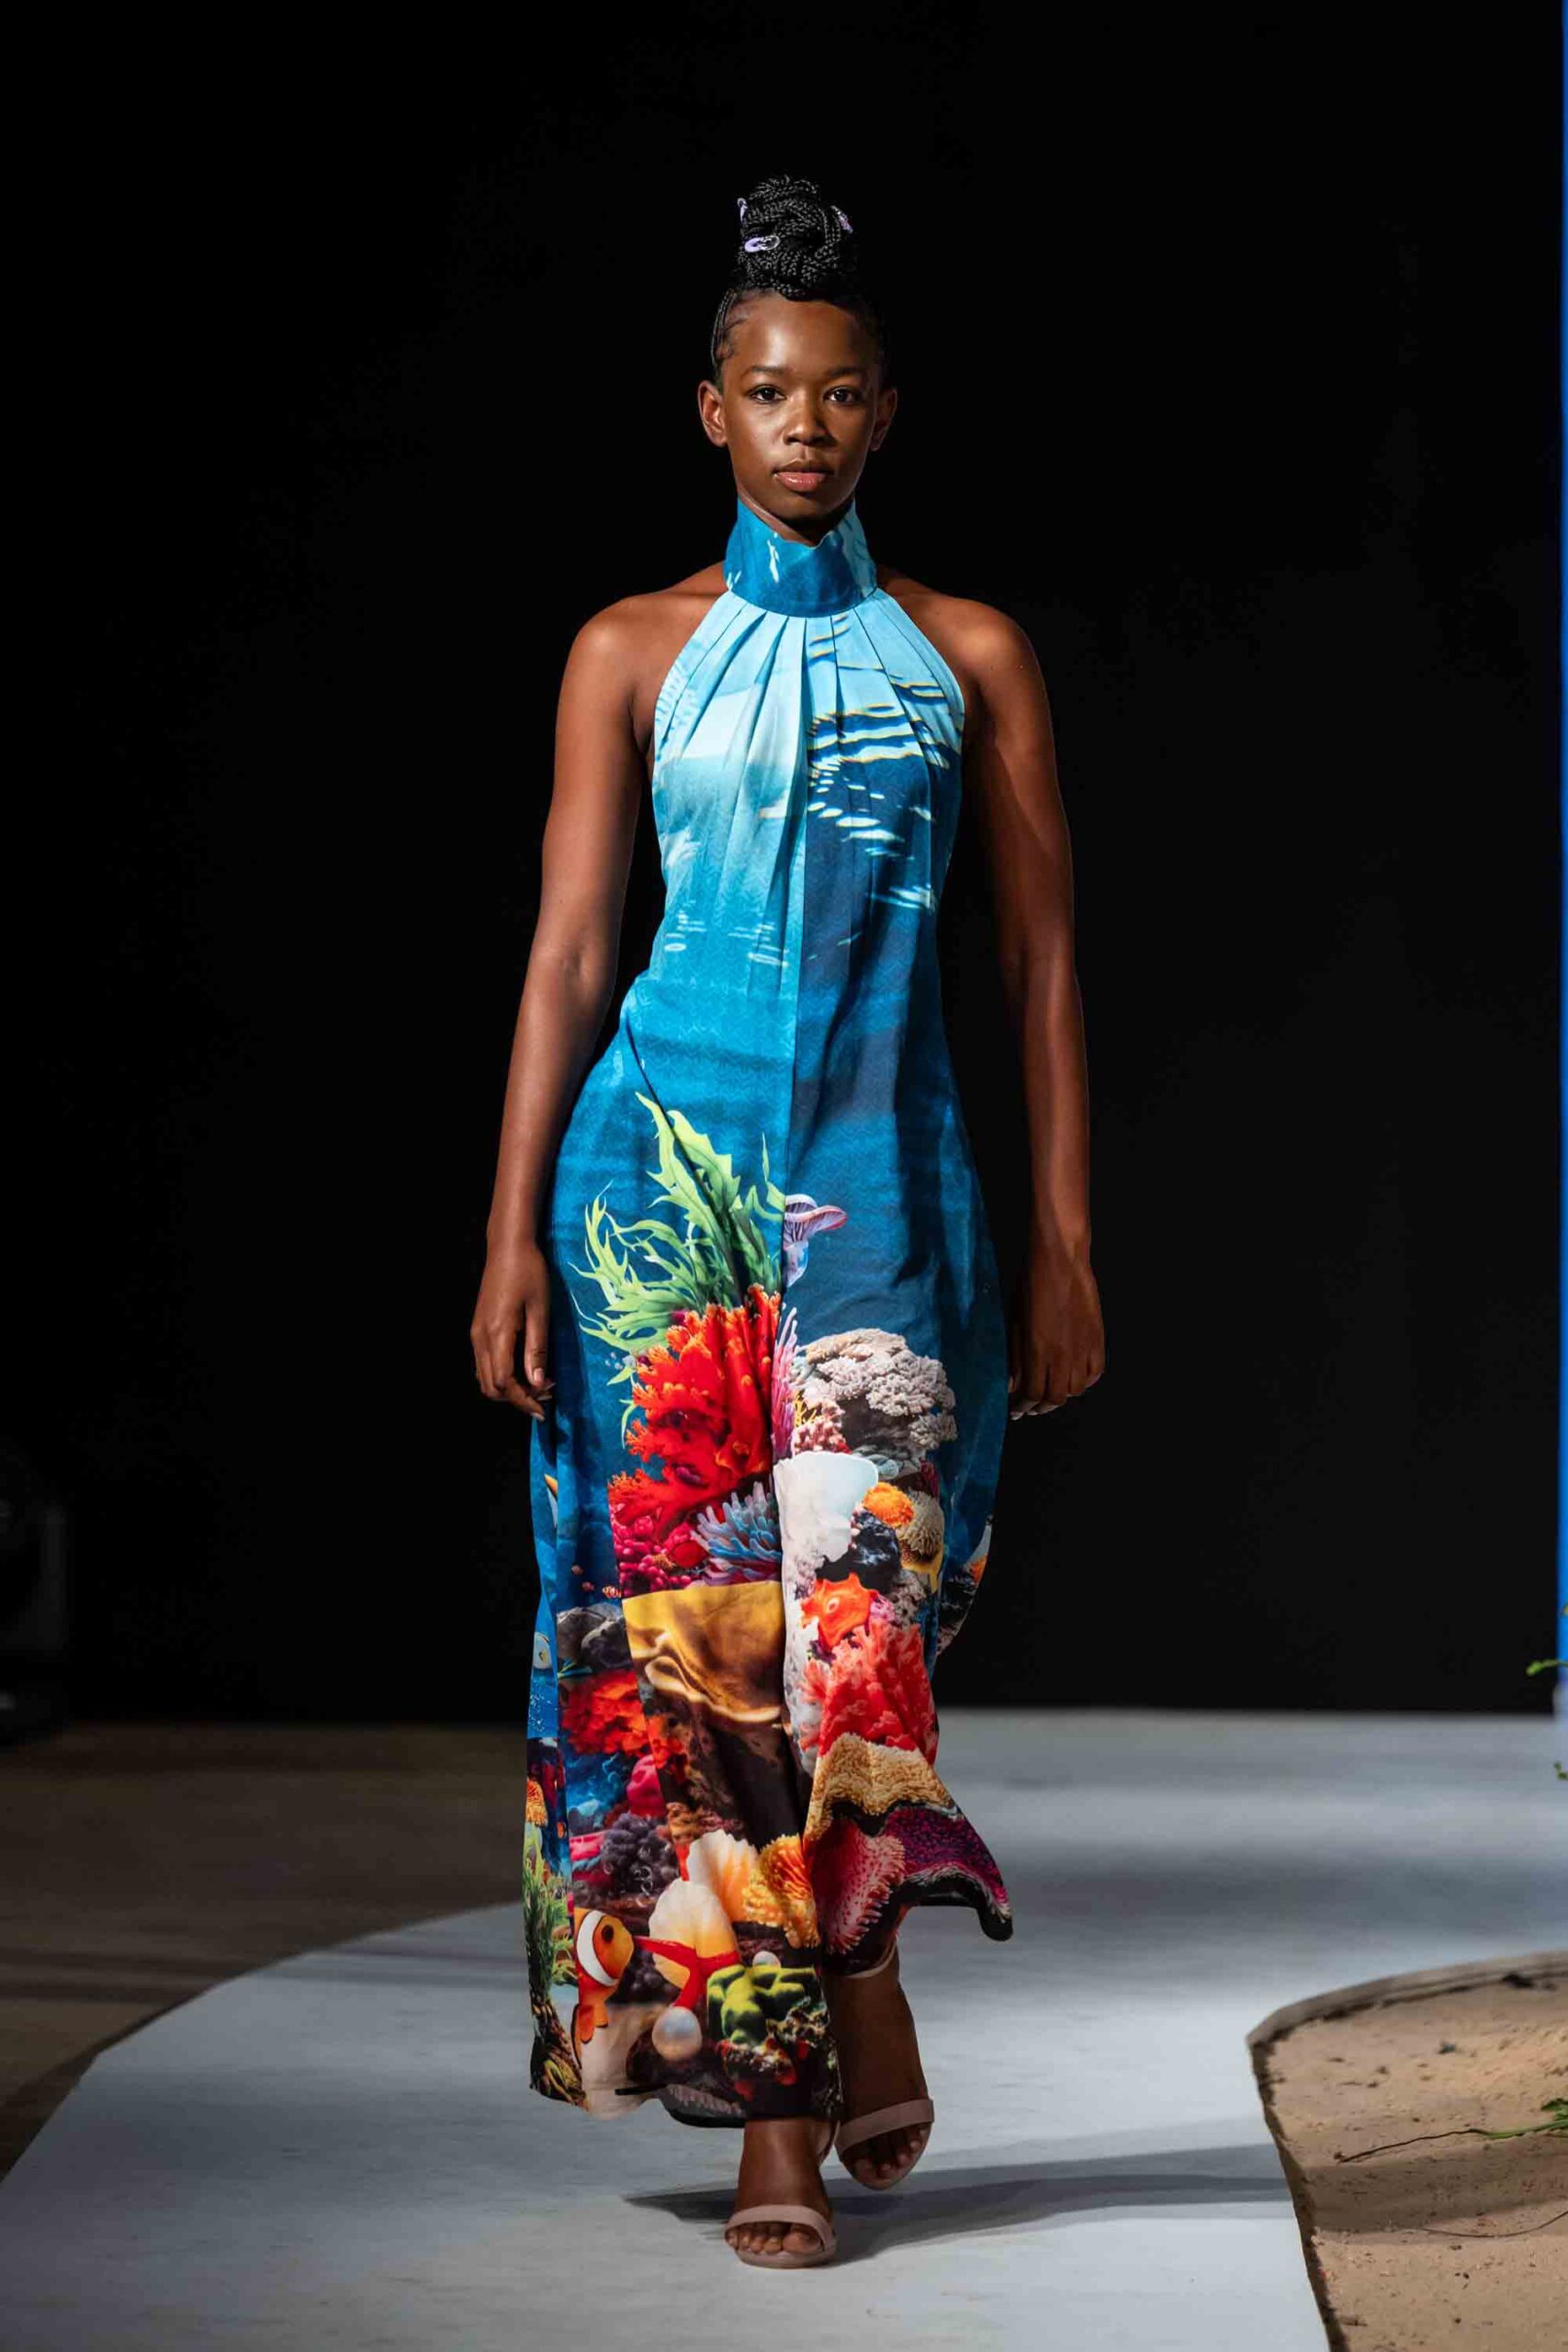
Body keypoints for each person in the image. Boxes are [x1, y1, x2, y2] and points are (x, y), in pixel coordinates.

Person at [471, 173, 1103, 2269]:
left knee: (859, 1638)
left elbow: (1035, 966)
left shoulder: (970, 656)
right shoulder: (627, 650)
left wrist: (1064, 1241)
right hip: (652, 1206)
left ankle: (865, 1971)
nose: (802, 425)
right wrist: (508, 1231)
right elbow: (571, 955)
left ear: (884, 413)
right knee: (703, 1658)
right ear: (710, 410)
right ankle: (777, 2108)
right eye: (766, 390)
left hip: (888, 1207)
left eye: (836, 393)